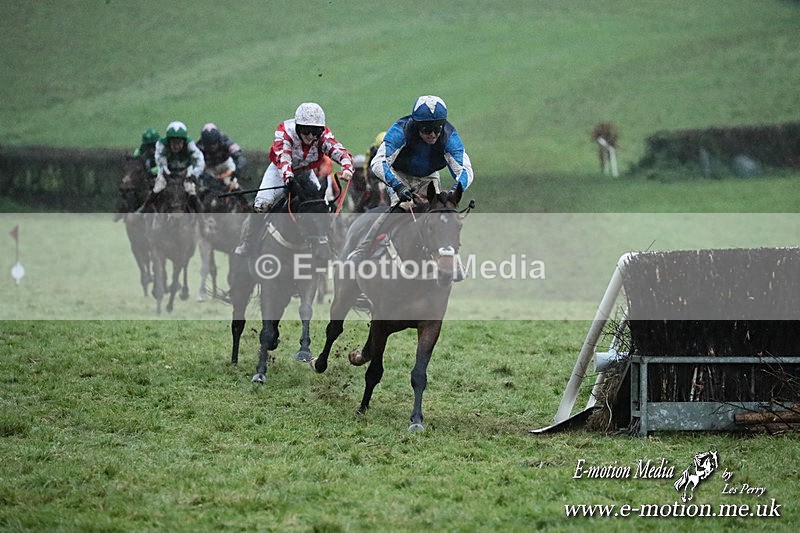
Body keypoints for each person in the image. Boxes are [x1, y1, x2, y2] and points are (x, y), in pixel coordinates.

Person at [348, 95, 473, 265]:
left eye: (437, 128)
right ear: (416, 124)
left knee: (440, 213)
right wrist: (397, 186)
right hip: (398, 173)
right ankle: (363, 249)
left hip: (429, 176)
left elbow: (465, 169)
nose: (433, 134)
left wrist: (454, 191)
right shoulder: (401, 130)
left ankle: (453, 259)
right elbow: (378, 162)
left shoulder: (449, 136)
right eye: (427, 129)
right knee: (401, 209)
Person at [235, 102, 354, 255]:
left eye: (316, 131)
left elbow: (337, 150)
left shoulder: (323, 136)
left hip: (305, 171)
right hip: (279, 172)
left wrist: (347, 167)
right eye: (306, 130)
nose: (311, 136)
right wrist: (288, 178)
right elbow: (283, 158)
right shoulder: (284, 132)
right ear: (297, 127)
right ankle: (248, 242)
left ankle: (329, 244)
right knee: (261, 204)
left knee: (319, 205)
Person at [138, 121, 205, 213]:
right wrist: (167, 174)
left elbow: (200, 160)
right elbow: (160, 162)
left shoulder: (190, 145)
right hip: (167, 172)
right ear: (168, 141)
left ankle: (201, 220)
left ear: (184, 141)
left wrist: (194, 174)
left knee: (190, 190)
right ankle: (144, 209)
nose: (176, 146)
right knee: (157, 188)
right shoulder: (161, 144)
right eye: (173, 142)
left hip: (185, 172)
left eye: (179, 143)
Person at [115, 128, 159, 219]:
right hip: (144, 177)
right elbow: (134, 162)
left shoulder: (162, 151)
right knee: (129, 189)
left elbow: (163, 165)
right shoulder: (139, 151)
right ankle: (124, 209)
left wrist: (153, 171)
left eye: (153, 146)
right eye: (148, 146)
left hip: (158, 177)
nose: (151, 149)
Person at [195, 123, 247, 198]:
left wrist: (235, 173)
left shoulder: (226, 141)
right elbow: (195, 166)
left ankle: (245, 206)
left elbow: (240, 158)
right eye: (209, 144)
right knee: (202, 190)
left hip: (226, 165)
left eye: (214, 143)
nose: (212, 146)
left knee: (235, 187)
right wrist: (208, 178)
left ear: (218, 139)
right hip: (209, 168)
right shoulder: (198, 147)